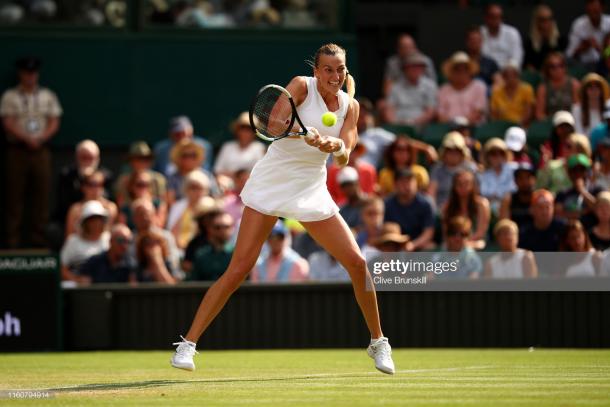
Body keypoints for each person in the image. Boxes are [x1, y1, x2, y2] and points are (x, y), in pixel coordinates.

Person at [171, 43, 395, 375]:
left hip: (310, 187)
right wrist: (300, 134)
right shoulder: (301, 86)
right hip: (273, 181)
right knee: (238, 269)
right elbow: (272, 125)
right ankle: (187, 344)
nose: (335, 76)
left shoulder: (351, 107)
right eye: (328, 69)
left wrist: (334, 146)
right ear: (316, 70)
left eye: (340, 69)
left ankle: (378, 342)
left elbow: (347, 150)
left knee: (358, 263)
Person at [1, 56, 62, 248]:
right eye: (27, 73)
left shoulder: (47, 96)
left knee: (41, 198)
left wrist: (41, 138)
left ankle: (39, 243)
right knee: (14, 198)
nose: (30, 77)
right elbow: (7, 122)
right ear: (21, 74)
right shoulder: (10, 96)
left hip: (41, 151)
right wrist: (26, 138)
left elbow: (54, 121)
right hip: (17, 151)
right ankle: (12, 244)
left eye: (33, 73)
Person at [54, 140, 113, 232]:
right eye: (84, 157)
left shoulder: (107, 176)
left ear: (97, 159)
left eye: (97, 184)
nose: (87, 161)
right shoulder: (66, 175)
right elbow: (63, 204)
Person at [383, 168, 435, 251]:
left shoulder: (425, 203)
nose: (407, 186)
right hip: (394, 245)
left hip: (419, 246)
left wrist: (413, 245)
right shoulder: (387, 204)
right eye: (403, 182)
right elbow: (385, 229)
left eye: (410, 181)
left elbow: (428, 232)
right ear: (395, 184)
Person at [60, 200, 111, 284]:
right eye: (92, 220)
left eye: (99, 219)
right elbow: (61, 267)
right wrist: (76, 280)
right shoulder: (73, 241)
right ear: (85, 223)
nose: (96, 223)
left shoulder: (109, 239)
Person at [382, 53, 437, 127]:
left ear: (423, 69)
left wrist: (414, 122)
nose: (415, 69)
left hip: (421, 127)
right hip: (398, 125)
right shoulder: (395, 87)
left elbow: (430, 111)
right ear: (405, 69)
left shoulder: (430, 86)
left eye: (418, 67)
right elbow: (389, 109)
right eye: (412, 67)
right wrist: (395, 124)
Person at [442, 170, 491, 250]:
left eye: (467, 183)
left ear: (473, 185)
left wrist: (463, 242)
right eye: (459, 184)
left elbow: (481, 233)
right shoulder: (447, 207)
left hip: (476, 242)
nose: (463, 187)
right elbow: (446, 233)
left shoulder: (482, 205)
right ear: (454, 186)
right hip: (453, 243)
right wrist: (457, 242)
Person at [428, 132, 477, 208]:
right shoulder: (437, 169)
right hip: (441, 210)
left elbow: (476, 193)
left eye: (457, 150)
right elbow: (431, 194)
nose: (453, 154)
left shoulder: (470, 168)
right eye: (449, 150)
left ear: (462, 152)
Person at [114, 141, 167, 210]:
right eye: (138, 158)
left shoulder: (159, 179)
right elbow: (121, 205)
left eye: (145, 158)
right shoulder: (123, 180)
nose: (142, 162)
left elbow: (162, 203)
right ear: (131, 161)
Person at [437, 51, 487, 125]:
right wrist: (454, 125)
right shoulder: (443, 90)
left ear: (470, 71)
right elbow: (440, 115)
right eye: (457, 69)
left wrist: (462, 125)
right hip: (448, 128)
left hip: (474, 128)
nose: (461, 72)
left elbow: (478, 112)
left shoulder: (479, 87)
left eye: (465, 69)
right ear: (451, 72)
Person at [65, 170, 118, 237]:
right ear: (83, 187)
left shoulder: (111, 207)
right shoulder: (75, 209)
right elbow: (69, 236)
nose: (96, 188)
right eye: (92, 184)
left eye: (100, 184)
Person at [166, 170, 211, 250]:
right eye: (193, 187)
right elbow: (172, 231)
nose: (196, 191)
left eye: (199, 188)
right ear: (186, 189)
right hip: (179, 248)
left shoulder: (210, 206)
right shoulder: (178, 206)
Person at [213, 111, 266, 176]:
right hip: (227, 183)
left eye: (249, 128)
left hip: (251, 183)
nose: (245, 131)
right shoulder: (227, 146)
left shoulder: (260, 148)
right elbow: (217, 170)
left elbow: (261, 171)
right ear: (237, 130)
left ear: (254, 133)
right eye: (242, 127)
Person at [555, 154, 602, 226]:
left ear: (588, 172)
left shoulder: (597, 190)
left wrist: (582, 191)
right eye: (574, 170)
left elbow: (600, 210)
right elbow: (558, 214)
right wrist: (583, 212)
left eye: (582, 169)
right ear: (569, 173)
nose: (578, 173)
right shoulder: (562, 193)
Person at [187, 211, 235, 281]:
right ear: (209, 229)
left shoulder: (237, 254)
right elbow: (194, 281)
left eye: (226, 227)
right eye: (217, 227)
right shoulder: (201, 255)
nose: (222, 231)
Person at [167, 138, 218, 203]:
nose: (189, 159)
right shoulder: (173, 178)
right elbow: (171, 201)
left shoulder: (207, 175)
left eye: (193, 155)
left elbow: (216, 197)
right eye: (185, 155)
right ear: (179, 158)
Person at [326, 140, 377, 206]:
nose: (349, 153)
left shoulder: (368, 171)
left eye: (354, 150)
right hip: (338, 209)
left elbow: (369, 194)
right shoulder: (333, 170)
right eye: (345, 149)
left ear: (359, 152)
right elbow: (330, 194)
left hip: (362, 207)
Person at [566, 0, 610, 71]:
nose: (593, 15)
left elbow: (609, 52)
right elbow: (569, 55)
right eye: (590, 11)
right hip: (584, 65)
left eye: (595, 11)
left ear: (602, 8)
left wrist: (601, 49)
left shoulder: (609, 23)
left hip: (605, 65)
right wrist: (582, 48)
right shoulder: (578, 24)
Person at [535, 53, 580, 121]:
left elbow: (578, 110)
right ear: (547, 69)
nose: (557, 69)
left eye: (560, 65)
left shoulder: (574, 85)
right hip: (550, 124)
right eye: (553, 66)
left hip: (571, 122)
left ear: (565, 67)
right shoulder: (543, 88)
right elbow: (539, 114)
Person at [490, 61, 535, 127]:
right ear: (503, 77)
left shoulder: (527, 89)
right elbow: (493, 115)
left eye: (513, 75)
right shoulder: (496, 92)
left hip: (521, 126)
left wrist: (518, 125)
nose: (510, 78)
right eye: (507, 76)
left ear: (518, 75)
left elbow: (528, 113)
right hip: (501, 126)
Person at [478, 138, 516, 215]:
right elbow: (484, 194)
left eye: (501, 153)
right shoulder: (483, 174)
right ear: (487, 156)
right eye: (493, 153)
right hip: (489, 211)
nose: (498, 157)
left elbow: (514, 190)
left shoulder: (513, 169)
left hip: (512, 209)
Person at [523, 5, 567, 71]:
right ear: (536, 22)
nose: (546, 24)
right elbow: (528, 67)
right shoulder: (529, 43)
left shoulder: (561, 41)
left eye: (549, 19)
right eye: (542, 20)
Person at [355, 97, 395, 168]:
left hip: (367, 174)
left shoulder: (377, 134)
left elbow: (402, 142)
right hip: (344, 174)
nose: (362, 119)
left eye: (365, 115)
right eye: (359, 115)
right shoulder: (343, 133)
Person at [480, 3, 524, 68]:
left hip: (508, 72)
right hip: (485, 72)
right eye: (492, 17)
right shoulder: (479, 33)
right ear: (486, 18)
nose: (495, 20)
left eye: (498, 17)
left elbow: (517, 57)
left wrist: (510, 69)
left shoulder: (512, 33)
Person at [499, 162, 536, 229]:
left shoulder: (538, 198)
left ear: (534, 180)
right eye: (521, 178)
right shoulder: (508, 200)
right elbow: (504, 226)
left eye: (528, 177)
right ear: (515, 181)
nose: (524, 182)